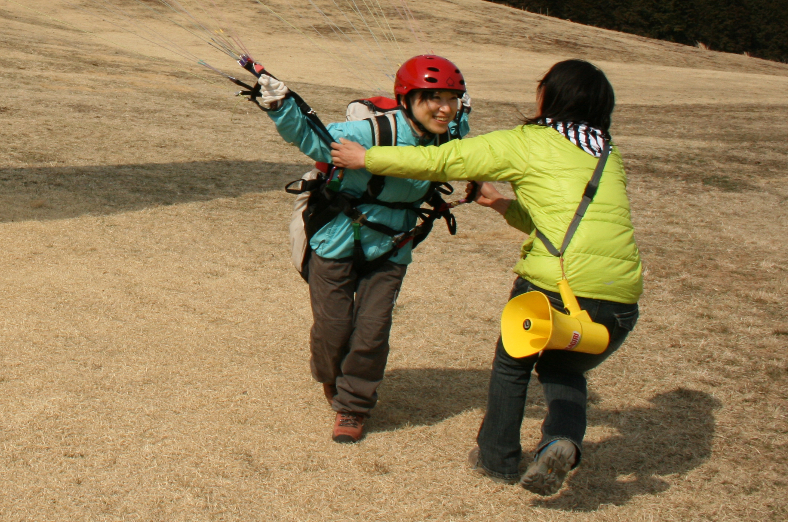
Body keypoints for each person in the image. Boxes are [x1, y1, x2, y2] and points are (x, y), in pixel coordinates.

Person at [330, 59, 642, 494]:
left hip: (553, 288)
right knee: (564, 370)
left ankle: (497, 459)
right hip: (620, 301)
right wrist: (499, 204)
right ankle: (562, 440)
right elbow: (558, 226)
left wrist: (368, 157)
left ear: (551, 96)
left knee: (512, 365)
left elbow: (446, 159)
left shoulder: (530, 141)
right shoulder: (608, 154)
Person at [255, 54, 471, 443]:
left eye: (452, 99)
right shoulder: (374, 131)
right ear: (407, 100)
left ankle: (353, 406)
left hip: (391, 246)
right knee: (333, 329)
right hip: (336, 238)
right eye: (433, 98)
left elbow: (469, 149)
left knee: (372, 331)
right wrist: (279, 105)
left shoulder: (451, 132)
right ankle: (330, 375)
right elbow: (312, 138)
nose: (444, 108)